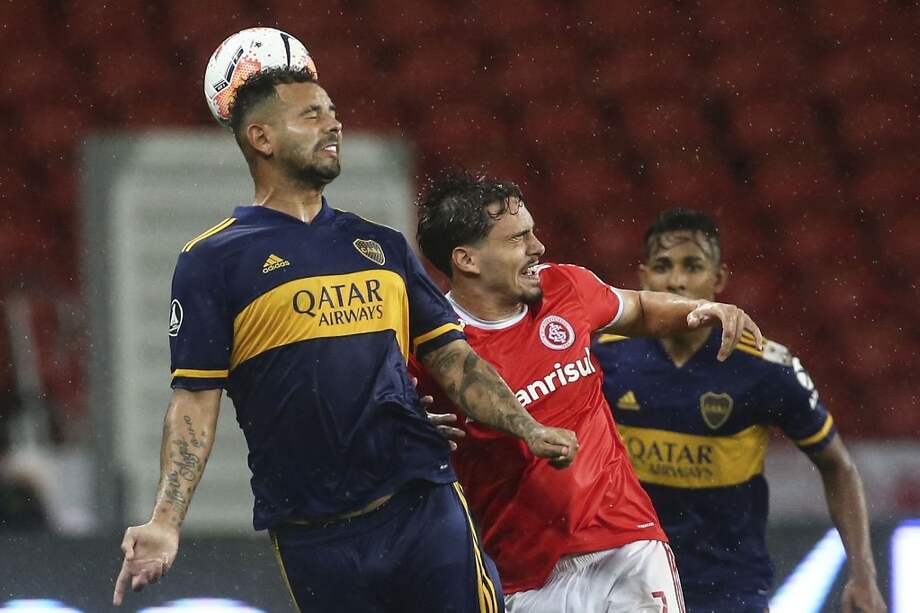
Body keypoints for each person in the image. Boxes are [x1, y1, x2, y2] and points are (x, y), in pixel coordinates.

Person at [112, 66, 584, 613]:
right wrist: (165, 523)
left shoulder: (381, 245)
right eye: (311, 114)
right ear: (260, 138)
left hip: (422, 506)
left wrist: (526, 426)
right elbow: (194, 399)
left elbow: (455, 359)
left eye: (334, 112)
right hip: (313, 535)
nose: (333, 125)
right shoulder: (212, 261)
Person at [411, 169, 764, 612]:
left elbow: (638, 307)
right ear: (467, 260)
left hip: (627, 544)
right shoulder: (429, 347)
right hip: (527, 576)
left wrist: (702, 308)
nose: (538, 247)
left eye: (533, 233)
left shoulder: (565, 288)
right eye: (518, 238)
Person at [593, 208, 887, 613]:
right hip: (627, 584)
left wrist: (864, 574)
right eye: (663, 266)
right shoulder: (603, 356)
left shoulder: (766, 369)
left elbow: (838, 466)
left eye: (692, 266)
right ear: (643, 278)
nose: (676, 279)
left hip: (729, 590)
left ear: (719, 279)